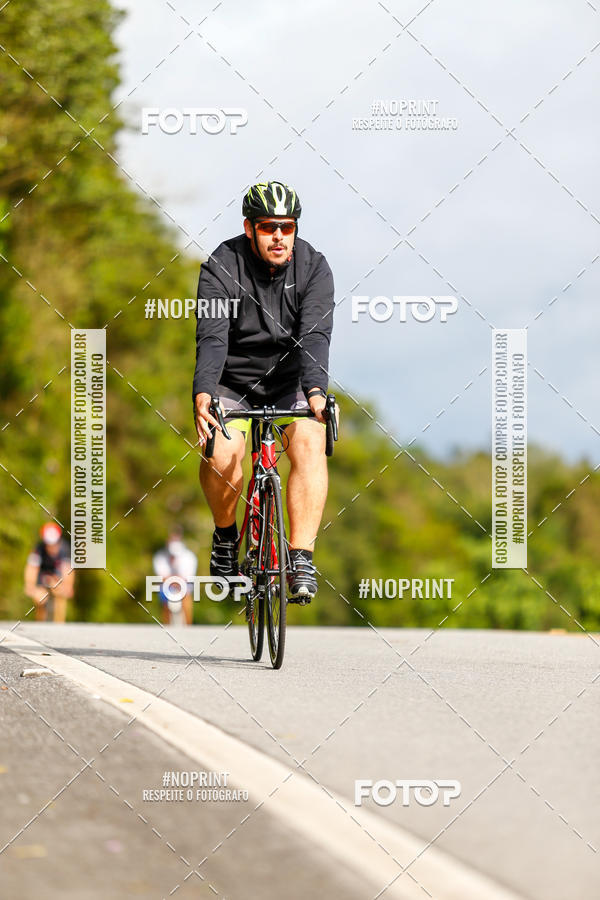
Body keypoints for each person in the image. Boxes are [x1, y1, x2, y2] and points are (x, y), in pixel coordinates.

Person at [193, 181, 335, 603]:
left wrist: (315, 392)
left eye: (287, 228)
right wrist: (203, 394)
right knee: (221, 452)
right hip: (233, 382)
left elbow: (315, 335)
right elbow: (212, 338)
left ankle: (301, 555)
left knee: (309, 441)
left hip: (291, 382)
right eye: (269, 227)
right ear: (249, 228)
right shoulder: (221, 266)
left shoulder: (314, 267)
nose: (279, 237)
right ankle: (225, 536)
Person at [24, 522, 74, 622]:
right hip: (42, 575)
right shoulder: (39, 549)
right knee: (40, 598)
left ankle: (59, 625)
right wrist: (30, 585)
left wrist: (68, 586)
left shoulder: (65, 549)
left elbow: (67, 570)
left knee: (61, 592)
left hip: (57, 576)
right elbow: (31, 568)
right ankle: (40, 624)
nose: (51, 546)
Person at [152, 526, 198, 625]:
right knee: (165, 600)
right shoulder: (160, 556)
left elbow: (187, 578)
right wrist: (173, 582)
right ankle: (166, 625)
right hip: (167, 586)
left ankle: (188, 625)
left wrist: (175, 582)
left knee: (186, 598)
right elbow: (162, 577)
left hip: (184, 585)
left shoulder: (189, 557)